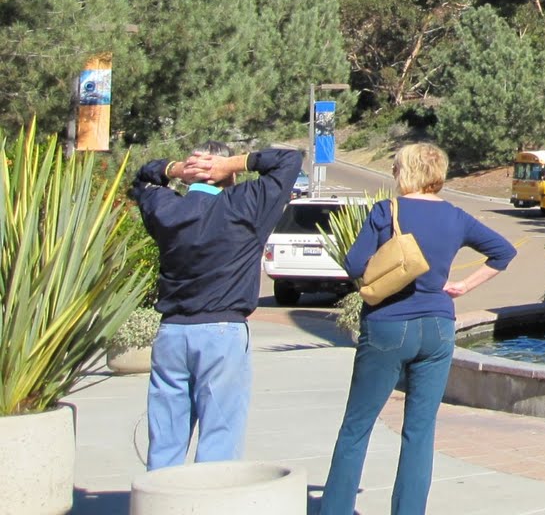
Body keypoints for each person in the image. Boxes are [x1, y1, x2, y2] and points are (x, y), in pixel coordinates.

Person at [321, 142, 516, 515]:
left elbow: (354, 264)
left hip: (388, 326)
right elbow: (503, 252)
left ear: (405, 172)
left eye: (396, 168)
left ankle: (335, 509)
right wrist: (463, 286)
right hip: (439, 328)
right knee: (420, 433)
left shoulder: (386, 211)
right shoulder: (456, 217)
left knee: (357, 427)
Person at [131, 140, 302, 468]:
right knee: (219, 439)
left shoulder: (166, 209)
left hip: (172, 332)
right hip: (222, 332)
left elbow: (141, 179)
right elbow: (289, 160)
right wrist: (233, 163)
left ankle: (158, 494)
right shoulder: (246, 204)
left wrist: (174, 169)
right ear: (228, 175)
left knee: (165, 440)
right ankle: (209, 495)